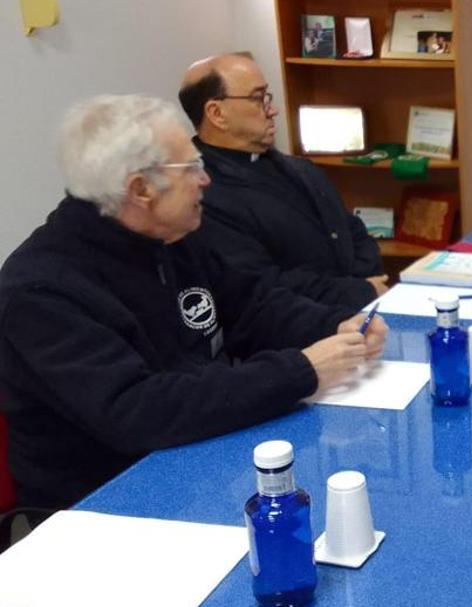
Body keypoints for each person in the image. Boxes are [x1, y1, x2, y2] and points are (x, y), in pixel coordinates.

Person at [0, 95, 387, 510]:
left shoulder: (171, 236)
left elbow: (252, 306)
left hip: (202, 455)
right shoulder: (39, 291)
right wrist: (302, 371)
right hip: (108, 501)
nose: (205, 180)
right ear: (141, 189)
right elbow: (139, 411)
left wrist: (334, 324)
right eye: (191, 168)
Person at [178, 53, 387, 311]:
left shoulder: (302, 169)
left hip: (363, 309)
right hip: (306, 325)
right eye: (258, 98)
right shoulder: (203, 194)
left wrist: (368, 281)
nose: (272, 110)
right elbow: (260, 284)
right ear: (217, 113)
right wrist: (359, 291)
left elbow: (352, 230)